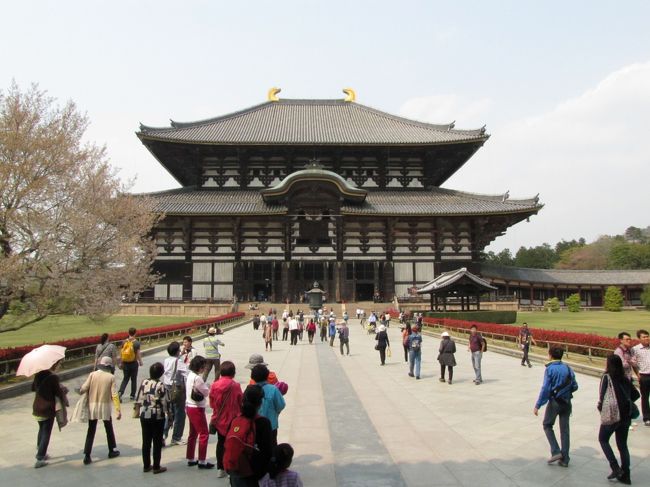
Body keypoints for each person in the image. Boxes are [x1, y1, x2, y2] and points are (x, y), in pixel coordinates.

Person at [597, 354, 640, 485]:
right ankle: (626, 475)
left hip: (612, 416)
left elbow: (603, 397)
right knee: (622, 445)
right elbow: (636, 394)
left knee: (603, 439)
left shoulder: (606, 377)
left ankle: (615, 467)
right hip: (625, 416)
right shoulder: (625, 378)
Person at [533, 347, 579, 468]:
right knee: (565, 430)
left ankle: (556, 451)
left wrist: (538, 404)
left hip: (555, 402)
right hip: (567, 402)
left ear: (550, 355)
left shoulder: (550, 369)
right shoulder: (568, 368)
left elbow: (546, 388)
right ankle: (565, 459)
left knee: (547, 425)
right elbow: (575, 386)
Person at [225, 385, 273, 486]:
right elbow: (267, 451)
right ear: (260, 403)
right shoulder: (263, 423)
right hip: (254, 473)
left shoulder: (235, 420)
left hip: (235, 470)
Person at [80, 356, 122, 465]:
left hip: (92, 406)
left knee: (91, 430)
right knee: (108, 428)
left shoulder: (92, 375)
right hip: (105, 407)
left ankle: (87, 455)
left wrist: (80, 390)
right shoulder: (110, 377)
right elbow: (114, 394)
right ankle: (111, 450)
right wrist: (118, 409)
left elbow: (84, 388)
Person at [209, 360, 243, 479]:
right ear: (233, 372)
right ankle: (230, 468)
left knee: (220, 443)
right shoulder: (235, 386)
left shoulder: (214, 385)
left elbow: (212, 404)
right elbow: (240, 402)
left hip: (219, 420)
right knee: (232, 444)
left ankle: (220, 468)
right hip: (233, 419)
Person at [135, 362, 169, 474]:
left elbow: (139, 398)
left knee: (146, 441)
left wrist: (137, 410)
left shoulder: (144, 382)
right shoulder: (161, 385)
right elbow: (165, 403)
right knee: (157, 441)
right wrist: (169, 415)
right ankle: (156, 466)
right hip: (157, 415)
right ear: (161, 373)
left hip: (145, 414)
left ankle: (146, 465)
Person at [32, 359, 67, 468]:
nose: (58, 366)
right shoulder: (53, 377)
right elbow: (58, 393)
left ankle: (40, 449)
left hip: (37, 407)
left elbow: (33, 388)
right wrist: (63, 390)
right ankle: (40, 457)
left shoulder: (38, 375)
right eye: (58, 364)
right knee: (46, 432)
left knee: (42, 429)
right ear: (54, 365)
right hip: (47, 408)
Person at [185, 355, 213, 469]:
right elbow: (206, 392)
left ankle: (190, 457)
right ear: (200, 367)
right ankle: (202, 460)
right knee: (204, 433)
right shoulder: (198, 378)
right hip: (197, 408)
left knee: (193, 433)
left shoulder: (190, 375)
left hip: (189, 406)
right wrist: (208, 387)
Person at [251, 364, 286, 447]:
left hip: (254, 425)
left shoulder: (250, 389)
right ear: (267, 375)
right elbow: (281, 405)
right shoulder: (273, 389)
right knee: (271, 445)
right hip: (271, 425)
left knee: (256, 446)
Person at [162, 341, 187, 446]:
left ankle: (163, 435)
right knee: (180, 413)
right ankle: (176, 437)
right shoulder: (179, 362)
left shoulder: (167, 360)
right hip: (176, 389)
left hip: (167, 387)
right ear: (177, 351)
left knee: (169, 412)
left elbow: (174, 361)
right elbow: (187, 372)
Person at [117, 327, 143, 401]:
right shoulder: (136, 343)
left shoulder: (124, 342)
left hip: (125, 363)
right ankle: (132, 395)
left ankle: (120, 392)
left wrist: (121, 362)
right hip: (133, 363)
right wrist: (140, 362)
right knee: (133, 379)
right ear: (135, 333)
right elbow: (138, 354)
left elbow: (121, 353)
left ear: (128, 333)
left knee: (125, 379)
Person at [632, 329, 650, 426]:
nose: (647, 338)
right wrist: (638, 374)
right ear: (639, 338)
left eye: (647, 336)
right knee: (645, 397)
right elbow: (633, 363)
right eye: (644, 337)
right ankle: (647, 418)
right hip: (644, 376)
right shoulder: (635, 349)